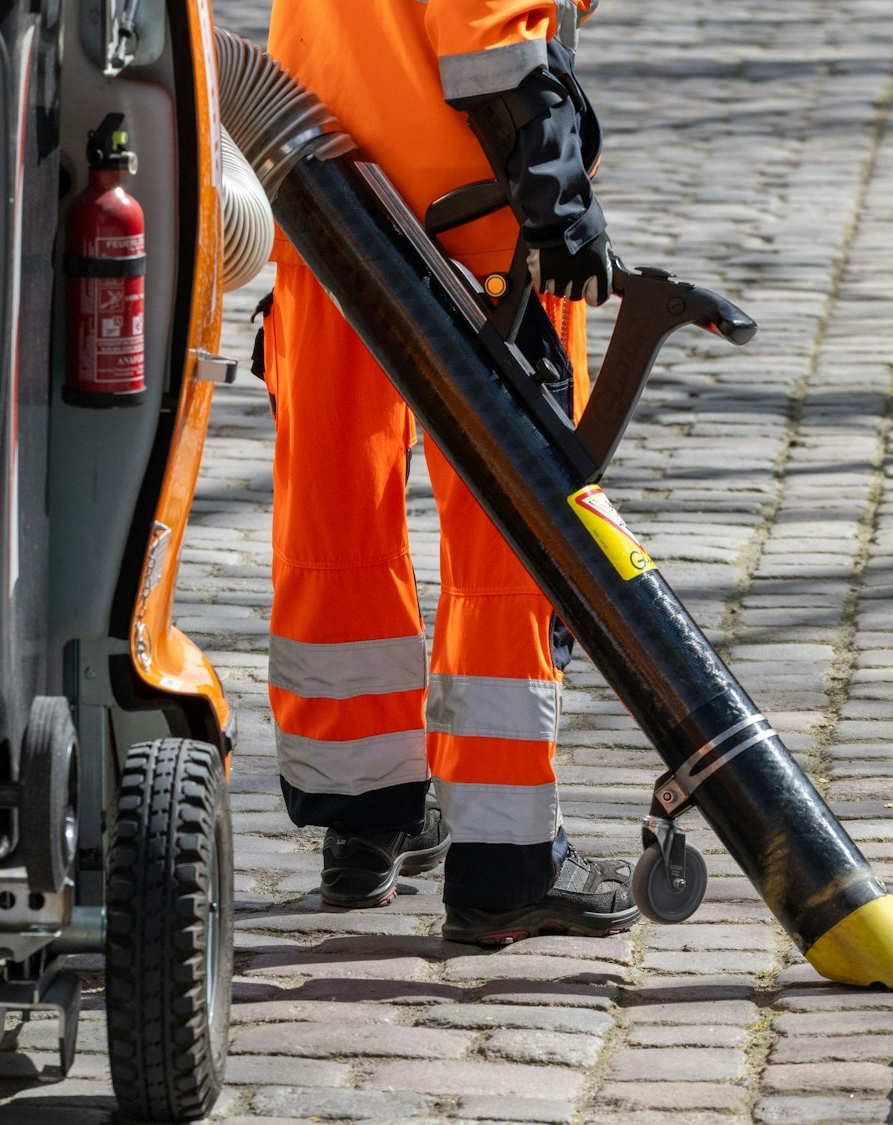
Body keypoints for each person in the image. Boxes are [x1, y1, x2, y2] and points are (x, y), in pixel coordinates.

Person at [259, 0, 640, 944]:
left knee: (334, 524)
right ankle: (508, 861)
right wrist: (556, 186)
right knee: (510, 540)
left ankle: (365, 820)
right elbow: (493, 32)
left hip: (324, 194)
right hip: (475, 223)